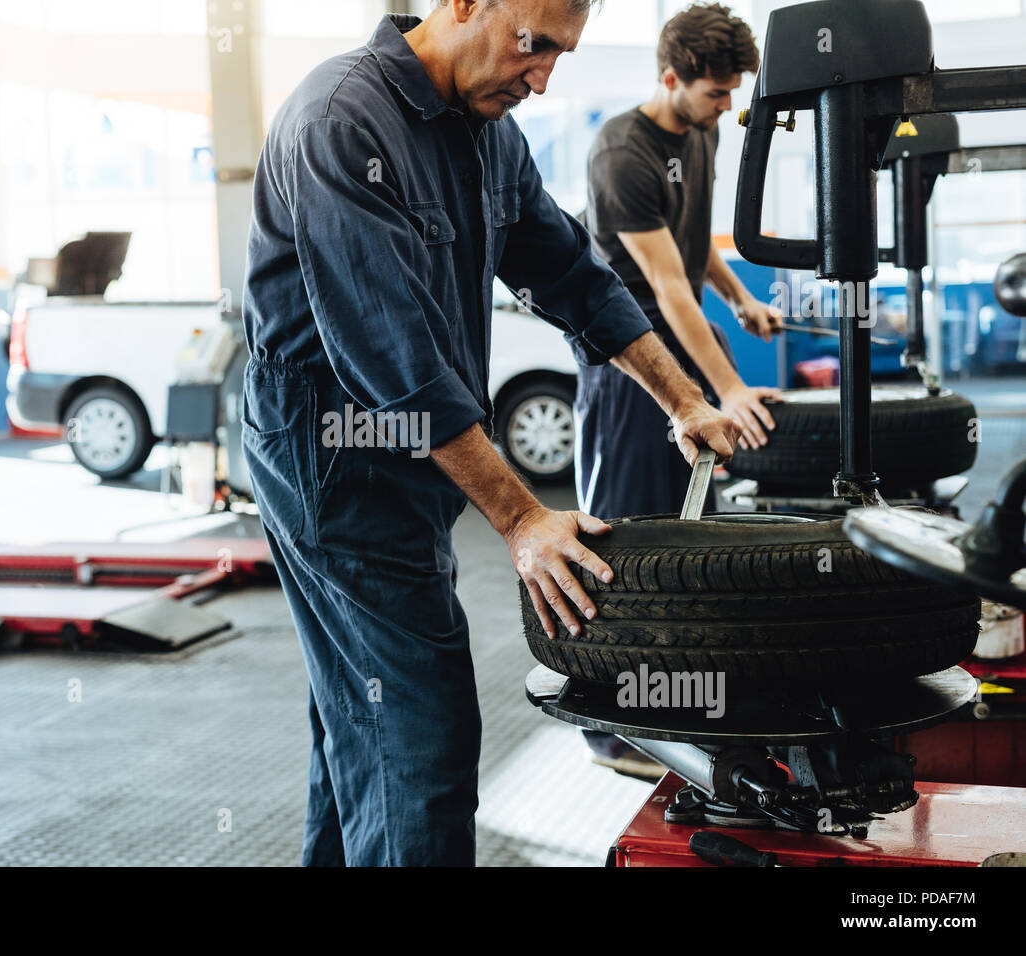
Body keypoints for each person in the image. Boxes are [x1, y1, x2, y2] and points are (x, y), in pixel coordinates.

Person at [241, 0, 741, 866]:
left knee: (360, 716)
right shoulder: (341, 122)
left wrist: (682, 398)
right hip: (331, 465)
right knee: (421, 728)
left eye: (561, 53)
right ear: (465, 5)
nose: (543, 75)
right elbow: (395, 360)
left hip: (409, 462)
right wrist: (522, 521)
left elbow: (575, 277)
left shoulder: (486, 131)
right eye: (533, 44)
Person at [575, 1, 784, 772]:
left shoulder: (699, 133)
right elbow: (663, 288)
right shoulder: (619, 155)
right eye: (716, 94)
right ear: (670, 77)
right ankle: (610, 726)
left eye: (732, 93)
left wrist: (739, 300)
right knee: (627, 542)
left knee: (689, 534)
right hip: (628, 364)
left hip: (683, 350)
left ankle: (677, 704)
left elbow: (691, 249)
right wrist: (727, 387)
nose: (727, 107)